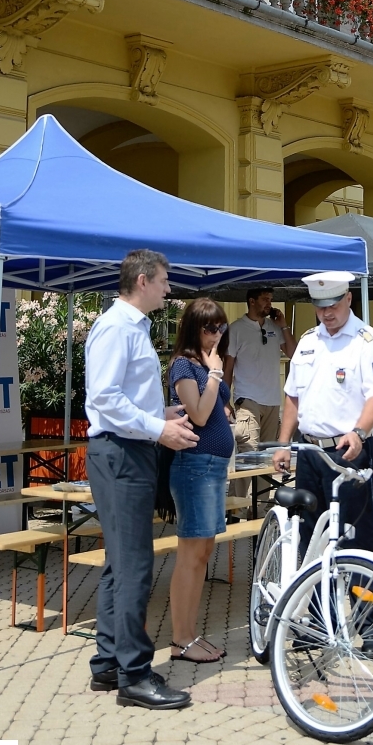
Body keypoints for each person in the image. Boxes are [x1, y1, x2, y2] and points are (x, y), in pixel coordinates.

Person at [85, 249, 197, 710]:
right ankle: (135, 675)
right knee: (133, 565)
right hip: (122, 454)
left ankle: (110, 663)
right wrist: (159, 428)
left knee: (120, 564)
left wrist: (158, 414)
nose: (170, 289)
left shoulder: (130, 326)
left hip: (124, 450)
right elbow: (105, 397)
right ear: (145, 280)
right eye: (166, 280)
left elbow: (121, 397)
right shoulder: (117, 327)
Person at [272, 271, 373, 657]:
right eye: (320, 307)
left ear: (348, 300)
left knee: (360, 539)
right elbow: (292, 397)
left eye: (332, 306)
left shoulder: (366, 341)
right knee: (312, 541)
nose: (326, 314)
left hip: (350, 450)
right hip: (312, 452)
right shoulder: (308, 342)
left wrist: (360, 432)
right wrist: (283, 444)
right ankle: (316, 622)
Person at [167, 297, 235, 664]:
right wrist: (214, 376)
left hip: (212, 468)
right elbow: (200, 414)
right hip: (194, 466)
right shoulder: (184, 365)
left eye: (220, 327)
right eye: (210, 328)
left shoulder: (207, 364)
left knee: (204, 552)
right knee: (191, 555)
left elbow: (217, 409)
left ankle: (190, 635)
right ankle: (181, 639)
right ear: (194, 328)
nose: (216, 334)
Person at [224, 288, 297, 511]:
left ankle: (260, 506)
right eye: (265, 300)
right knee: (249, 453)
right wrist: (224, 400)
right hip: (247, 400)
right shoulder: (236, 329)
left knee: (266, 458)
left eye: (271, 300)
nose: (269, 303)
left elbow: (294, 354)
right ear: (251, 301)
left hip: (273, 400)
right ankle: (238, 508)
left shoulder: (275, 328)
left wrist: (284, 325)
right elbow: (227, 367)